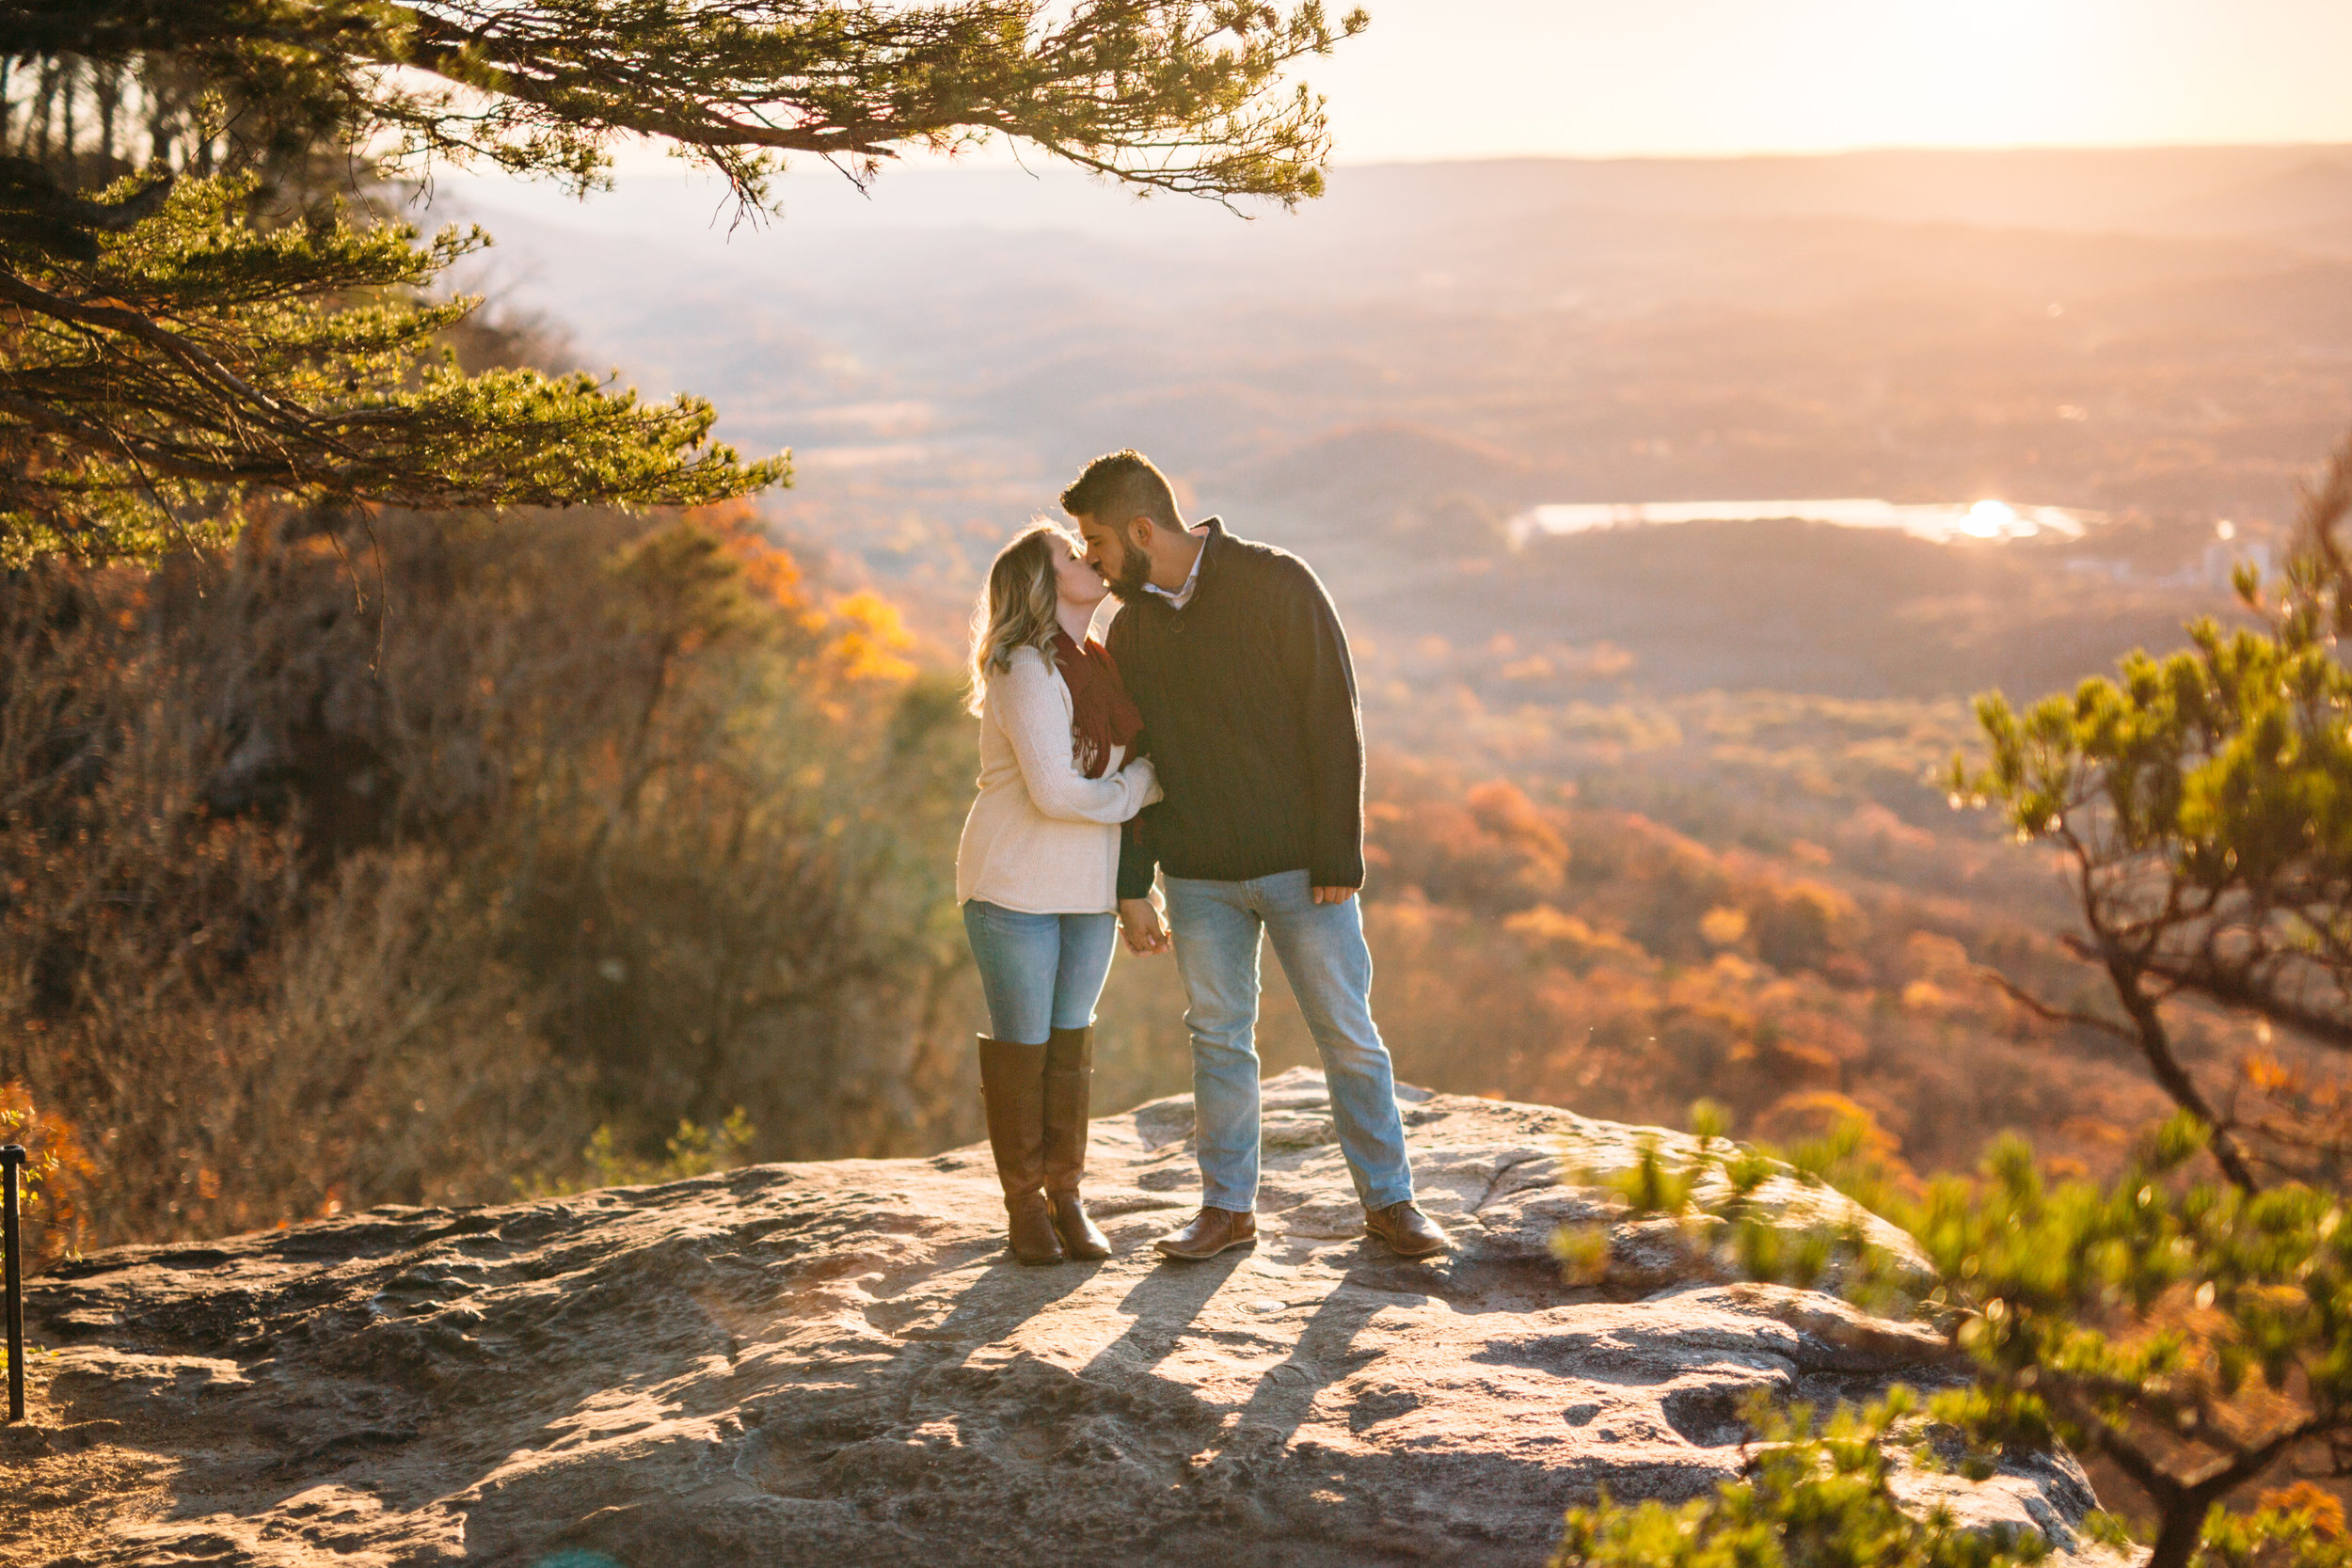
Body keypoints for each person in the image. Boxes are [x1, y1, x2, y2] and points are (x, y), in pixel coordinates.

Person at [1062, 450, 1452, 1261]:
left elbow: (1332, 720)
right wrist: (1136, 884)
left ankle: (1391, 1203)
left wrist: (1337, 853)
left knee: (1345, 1030)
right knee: (1218, 1039)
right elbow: (1135, 768)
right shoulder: (1130, 630)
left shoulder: (1278, 583)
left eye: (1097, 542)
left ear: (1142, 529)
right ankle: (1226, 1208)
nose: (1091, 560)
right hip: (1198, 874)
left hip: (1303, 870)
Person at [956, 523, 1162, 1265]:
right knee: (1026, 1047)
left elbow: (1092, 792)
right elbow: (1053, 792)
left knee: (1071, 1042)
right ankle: (1024, 1209)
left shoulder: (1098, 665)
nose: (1087, 559)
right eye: (1069, 556)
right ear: (1040, 585)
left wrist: (1135, 887)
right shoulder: (1023, 666)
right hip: (1013, 886)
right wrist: (1139, 785)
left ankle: (1067, 1198)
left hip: (1087, 889)